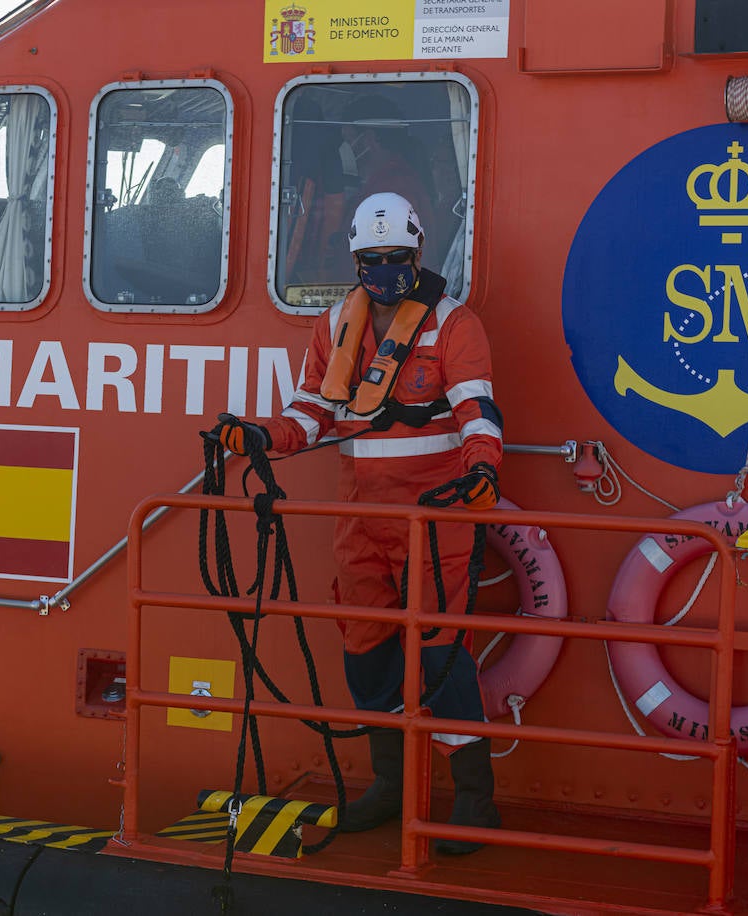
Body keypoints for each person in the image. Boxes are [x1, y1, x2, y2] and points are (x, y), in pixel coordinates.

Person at [214, 192, 504, 854]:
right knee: (366, 650)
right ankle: (391, 787)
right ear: (355, 260)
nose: (383, 270)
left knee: (441, 656)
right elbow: (311, 414)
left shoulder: (453, 325)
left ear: (417, 254)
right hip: (361, 519)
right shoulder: (334, 326)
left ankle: (473, 801)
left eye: (395, 259)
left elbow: (476, 408)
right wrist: (259, 434)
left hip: (436, 516)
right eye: (371, 260)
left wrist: (483, 467)